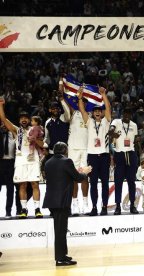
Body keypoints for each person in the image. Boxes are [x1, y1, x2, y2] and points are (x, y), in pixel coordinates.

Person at [43, 142, 91, 266]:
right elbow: (78, 178)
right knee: (60, 230)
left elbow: (62, 176)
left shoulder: (48, 162)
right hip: (62, 200)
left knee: (61, 229)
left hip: (52, 201)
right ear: (65, 150)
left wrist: (76, 172)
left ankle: (63, 255)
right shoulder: (67, 161)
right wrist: (85, 172)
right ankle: (60, 258)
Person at [0, 99, 43, 218]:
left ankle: (37, 209)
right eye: (22, 118)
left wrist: (35, 140)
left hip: (33, 160)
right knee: (22, 185)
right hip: (20, 161)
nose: (24, 120)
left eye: (26, 118)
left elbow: (42, 145)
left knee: (35, 184)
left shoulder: (35, 130)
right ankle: (24, 209)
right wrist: (1, 105)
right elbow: (3, 119)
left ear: (29, 120)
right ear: (19, 120)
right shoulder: (16, 131)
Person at [78, 85, 112, 216]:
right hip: (92, 156)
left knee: (104, 183)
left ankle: (104, 207)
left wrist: (104, 95)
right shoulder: (89, 122)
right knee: (93, 184)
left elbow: (108, 107)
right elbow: (81, 110)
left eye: (99, 110)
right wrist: (80, 98)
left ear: (102, 113)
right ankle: (93, 208)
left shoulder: (106, 121)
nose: (98, 112)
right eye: (95, 111)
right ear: (92, 113)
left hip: (104, 156)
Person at [61, 81, 89, 215]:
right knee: (73, 178)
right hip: (73, 149)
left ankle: (85, 203)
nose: (81, 103)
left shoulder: (90, 115)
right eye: (80, 101)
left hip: (86, 149)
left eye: (84, 101)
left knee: (84, 177)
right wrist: (62, 90)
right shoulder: (72, 112)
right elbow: (65, 101)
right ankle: (74, 203)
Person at [109, 108, 139, 215]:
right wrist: (112, 133)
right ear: (122, 114)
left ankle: (132, 205)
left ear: (131, 115)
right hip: (120, 154)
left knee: (132, 182)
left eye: (129, 114)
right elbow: (110, 131)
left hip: (131, 154)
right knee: (118, 182)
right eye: (125, 113)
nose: (127, 115)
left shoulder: (134, 125)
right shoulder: (116, 122)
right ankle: (117, 206)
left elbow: (135, 140)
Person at [0, 121, 19, 218]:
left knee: (10, 189)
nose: (4, 126)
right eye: (2, 124)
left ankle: (8, 211)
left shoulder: (14, 135)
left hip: (11, 163)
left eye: (5, 124)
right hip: (0, 163)